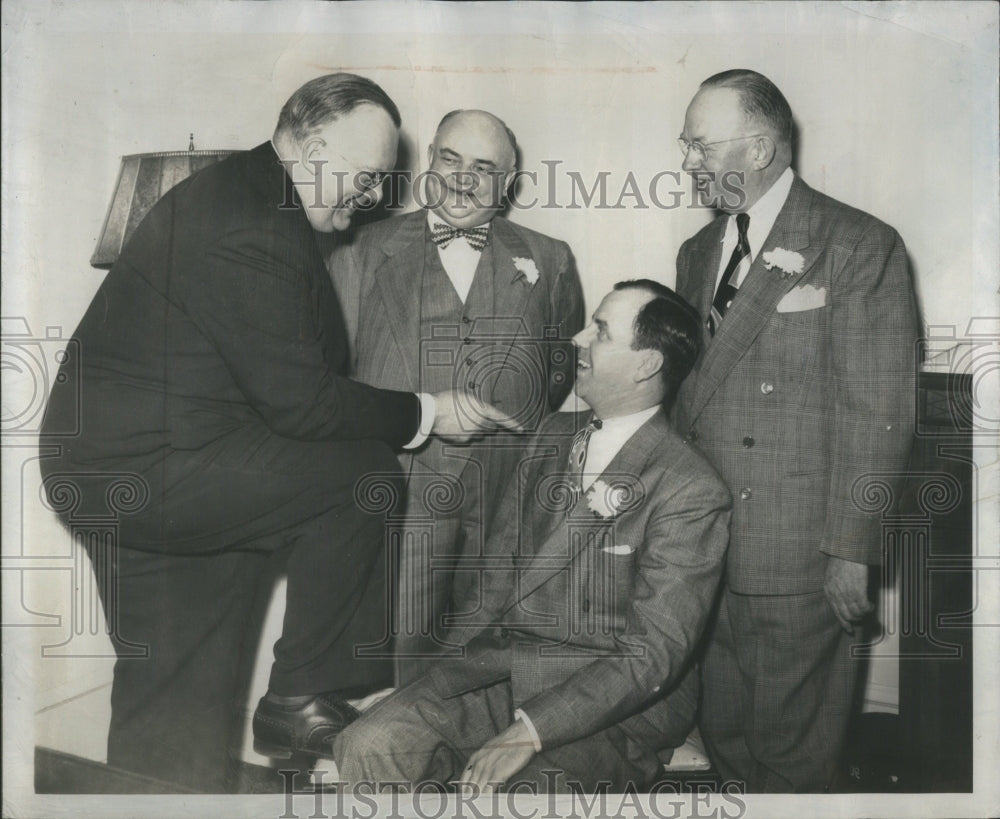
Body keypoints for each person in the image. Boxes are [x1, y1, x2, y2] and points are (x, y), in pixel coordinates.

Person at [37, 73, 515, 792]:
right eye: (367, 176)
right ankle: (300, 700)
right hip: (141, 469)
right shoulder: (251, 224)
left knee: (178, 685)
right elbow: (305, 408)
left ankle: (176, 785)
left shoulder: (256, 195)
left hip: (164, 460)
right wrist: (428, 412)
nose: (373, 195)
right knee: (363, 474)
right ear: (315, 145)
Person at [331, 280, 732, 792]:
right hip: (503, 673)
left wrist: (531, 731)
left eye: (601, 331)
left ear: (645, 365)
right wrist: (422, 688)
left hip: (615, 707)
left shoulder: (690, 488)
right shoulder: (551, 435)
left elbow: (650, 655)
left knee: (518, 794)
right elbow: (490, 591)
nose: (578, 339)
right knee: (371, 741)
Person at [673, 69, 919, 792]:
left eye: (699, 145)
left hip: (799, 555)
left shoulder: (858, 244)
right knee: (727, 739)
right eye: (685, 145)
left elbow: (878, 409)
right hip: (706, 547)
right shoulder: (697, 251)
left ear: (758, 146)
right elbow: (691, 402)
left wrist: (850, 549)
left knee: (792, 759)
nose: (687, 161)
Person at [329, 109, 585, 683]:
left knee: (490, 642)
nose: (464, 178)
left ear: (508, 183)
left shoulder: (549, 258)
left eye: (484, 167)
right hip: (399, 483)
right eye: (450, 160)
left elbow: (560, 362)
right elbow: (333, 371)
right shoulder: (361, 249)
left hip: (508, 488)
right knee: (400, 643)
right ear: (429, 163)